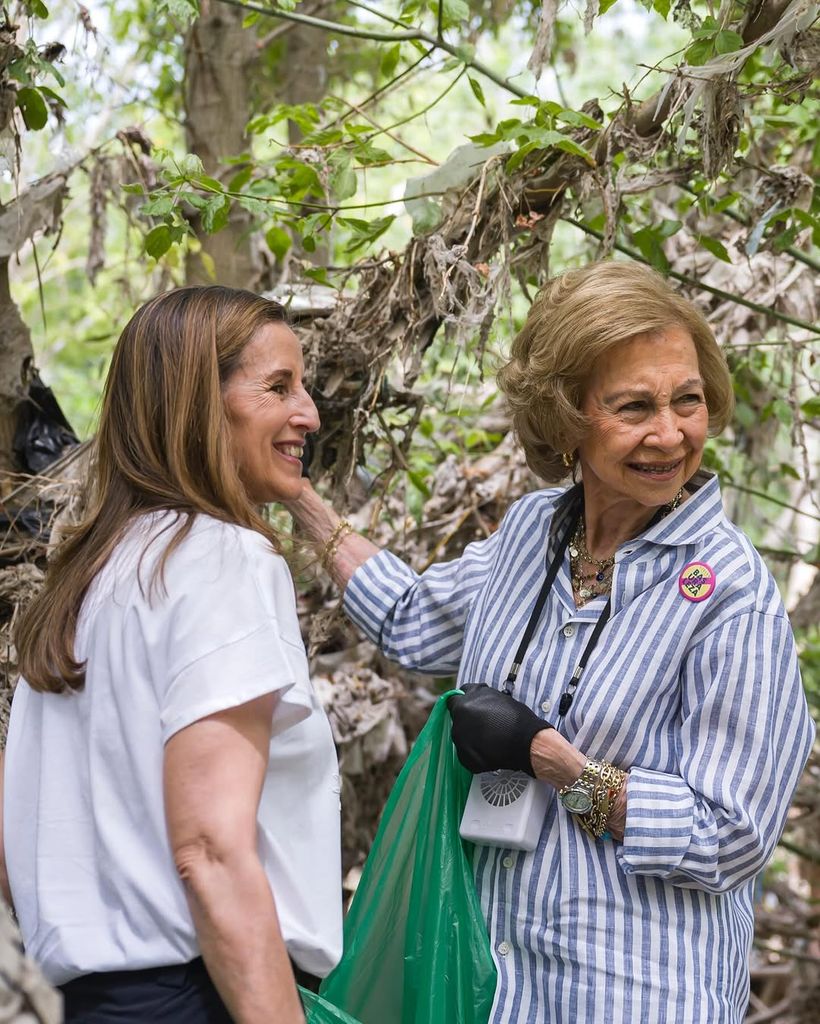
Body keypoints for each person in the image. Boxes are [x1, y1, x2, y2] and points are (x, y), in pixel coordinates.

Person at [284, 260, 815, 1023]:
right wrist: (294, 496)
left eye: (688, 401)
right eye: (635, 406)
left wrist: (554, 761)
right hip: (502, 988)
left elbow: (729, 837)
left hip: (637, 997)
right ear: (566, 418)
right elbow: (408, 614)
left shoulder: (729, 594)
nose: (670, 434)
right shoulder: (535, 532)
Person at [2, 286, 343, 1023]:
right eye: (279, 387)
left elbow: (16, 848)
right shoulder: (224, 562)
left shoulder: (83, 583)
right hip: (200, 992)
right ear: (196, 404)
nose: (308, 413)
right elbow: (211, 852)